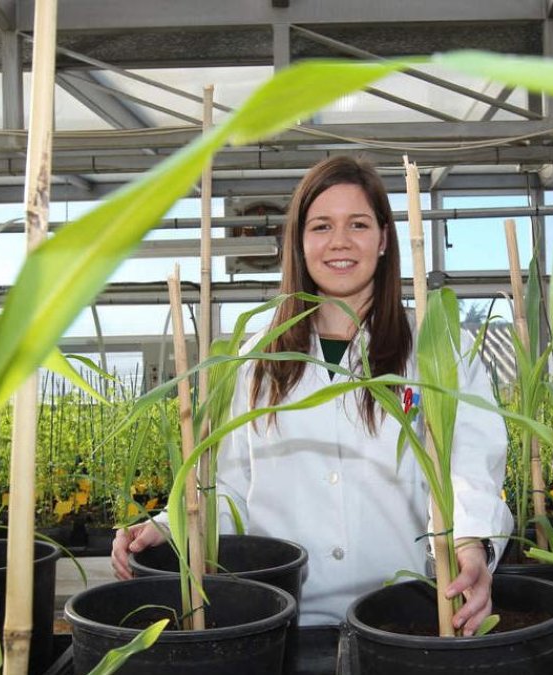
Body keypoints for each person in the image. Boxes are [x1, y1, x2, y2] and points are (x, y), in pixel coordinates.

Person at [112, 155, 513, 636]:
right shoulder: (254, 353)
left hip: (408, 614)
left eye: (358, 224)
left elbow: (469, 463)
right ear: (299, 244)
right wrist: (170, 525)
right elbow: (231, 485)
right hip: (280, 620)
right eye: (321, 226)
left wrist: (470, 544)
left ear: (384, 239)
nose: (340, 242)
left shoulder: (437, 345)